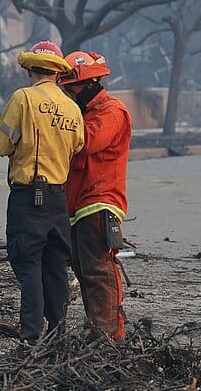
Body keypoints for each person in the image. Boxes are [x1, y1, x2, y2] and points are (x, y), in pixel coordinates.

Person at [0, 40, 84, 347]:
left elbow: (1, 146)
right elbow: (76, 145)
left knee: (28, 264)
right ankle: (57, 337)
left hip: (28, 198)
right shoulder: (71, 107)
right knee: (55, 267)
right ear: (58, 73)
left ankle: (30, 339)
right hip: (58, 199)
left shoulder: (23, 98)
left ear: (29, 70)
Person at [60, 50, 131, 341]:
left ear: (90, 84)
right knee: (84, 269)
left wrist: (55, 124)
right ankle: (98, 331)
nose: (68, 93)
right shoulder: (85, 113)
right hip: (79, 206)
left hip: (99, 203)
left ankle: (108, 336)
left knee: (98, 271)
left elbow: (85, 142)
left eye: (71, 88)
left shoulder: (111, 112)